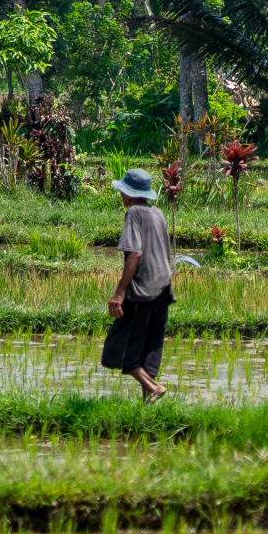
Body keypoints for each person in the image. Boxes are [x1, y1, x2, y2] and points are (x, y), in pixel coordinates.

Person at [103, 167, 174, 401]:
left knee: (120, 348)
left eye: (123, 191)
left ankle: (154, 388)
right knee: (150, 348)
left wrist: (119, 293)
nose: (121, 195)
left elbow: (134, 254)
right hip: (163, 288)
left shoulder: (133, 213)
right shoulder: (158, 213)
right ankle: (147, 407)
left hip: (143, 291)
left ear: (130, 193)